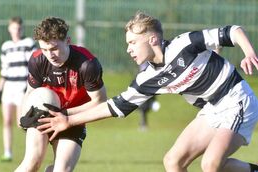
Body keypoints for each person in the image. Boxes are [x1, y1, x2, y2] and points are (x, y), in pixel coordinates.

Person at [37, 11, 258, 172]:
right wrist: (68, 119)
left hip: (236, 100)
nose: (128, 49)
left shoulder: (184, 44)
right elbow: (113, 106)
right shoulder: (148, 78)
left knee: (210, 164)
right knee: (173, 161)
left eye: (132, 42)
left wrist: (248, 52)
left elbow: (232, 31)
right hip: (212, 111)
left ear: (152, 39)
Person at [14, 16, 107, 172]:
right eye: (44, 49)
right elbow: (31, 91)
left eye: (54, 48)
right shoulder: (37, 60)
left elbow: (100, 101)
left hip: (72, 118)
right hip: (43, 114)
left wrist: (64, 114)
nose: (50, 55)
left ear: (68, 40)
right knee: (31, 163)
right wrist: (23, 114)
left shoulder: (87, 64)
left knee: (61, 170)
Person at [0, 16, 36, 163]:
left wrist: (29, 86)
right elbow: (4, 70)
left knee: (21, 123)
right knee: (6, 121)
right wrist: (0, 90)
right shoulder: (6, 46)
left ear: (22, 28)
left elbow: (34, 66)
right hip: (8, 88)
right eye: (14, 28)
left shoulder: (28, 43)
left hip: (22, 88)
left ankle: (33, 152)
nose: (16, 31)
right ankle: (7, 153)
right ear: (9, 29)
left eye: (19, 28)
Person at [137, 62, 160, 131]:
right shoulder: (139, 78)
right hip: (142, 99)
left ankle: (143, 125)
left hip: (146, 99)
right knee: (143, 111)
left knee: (143, 111)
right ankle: (143, 124)